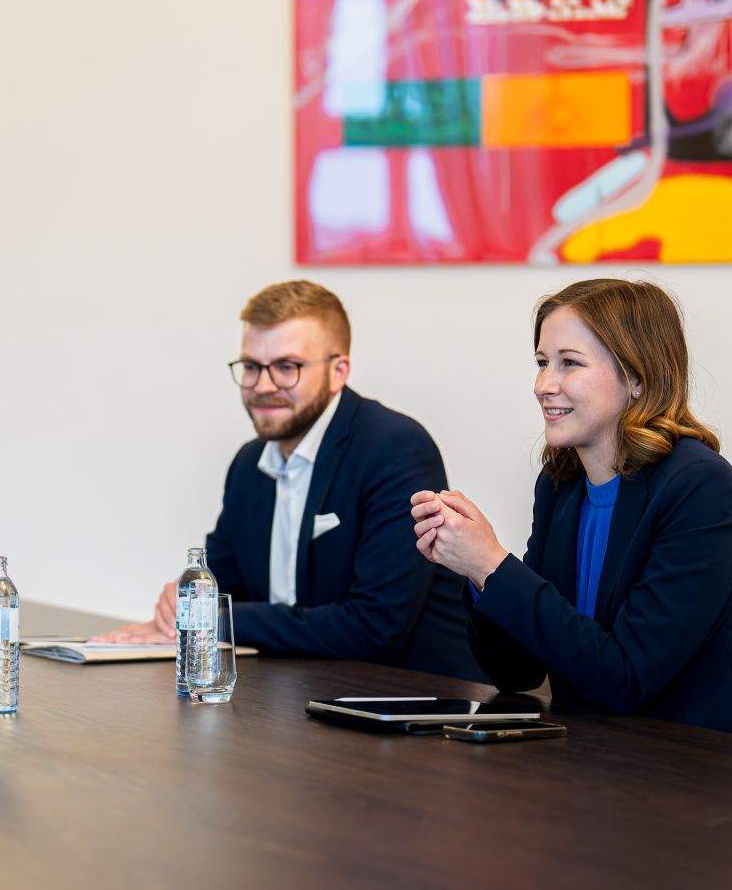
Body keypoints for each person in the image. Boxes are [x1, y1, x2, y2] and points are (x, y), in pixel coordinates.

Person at [411, 278, 732, 747]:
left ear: (637, 378)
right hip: (604, 760)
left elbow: (625, 677)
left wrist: (491, 564)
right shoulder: (562, 484)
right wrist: (479, 577)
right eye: (542, 363)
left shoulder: (701, 487)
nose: (543, 385)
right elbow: (518, 671)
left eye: (569, 364)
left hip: (715, 765)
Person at [99, 281, 478, 677]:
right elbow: (218, 584)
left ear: (338, 372)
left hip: (413, 705)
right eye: (250, 367)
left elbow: (373, 628)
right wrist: (177, 612)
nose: (263, 386)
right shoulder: (249, 464)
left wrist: (211, 618)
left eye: (286, 367)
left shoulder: (395, 448)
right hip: (293, 694)